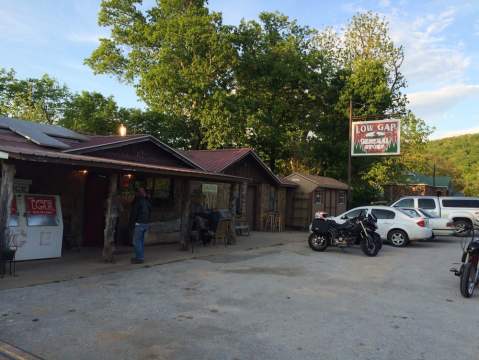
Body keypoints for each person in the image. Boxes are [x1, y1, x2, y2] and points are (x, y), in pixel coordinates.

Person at [129, 187, 152, 264]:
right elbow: (150, 211)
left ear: (138, 193)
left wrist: (131, 224)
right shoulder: (147, 201)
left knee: (136, 241)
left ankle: (139, 258)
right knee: (140, 241)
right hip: (145, 223)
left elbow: (134, 213)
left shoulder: (138, 201)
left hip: (139, 223)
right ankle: (140, 256)